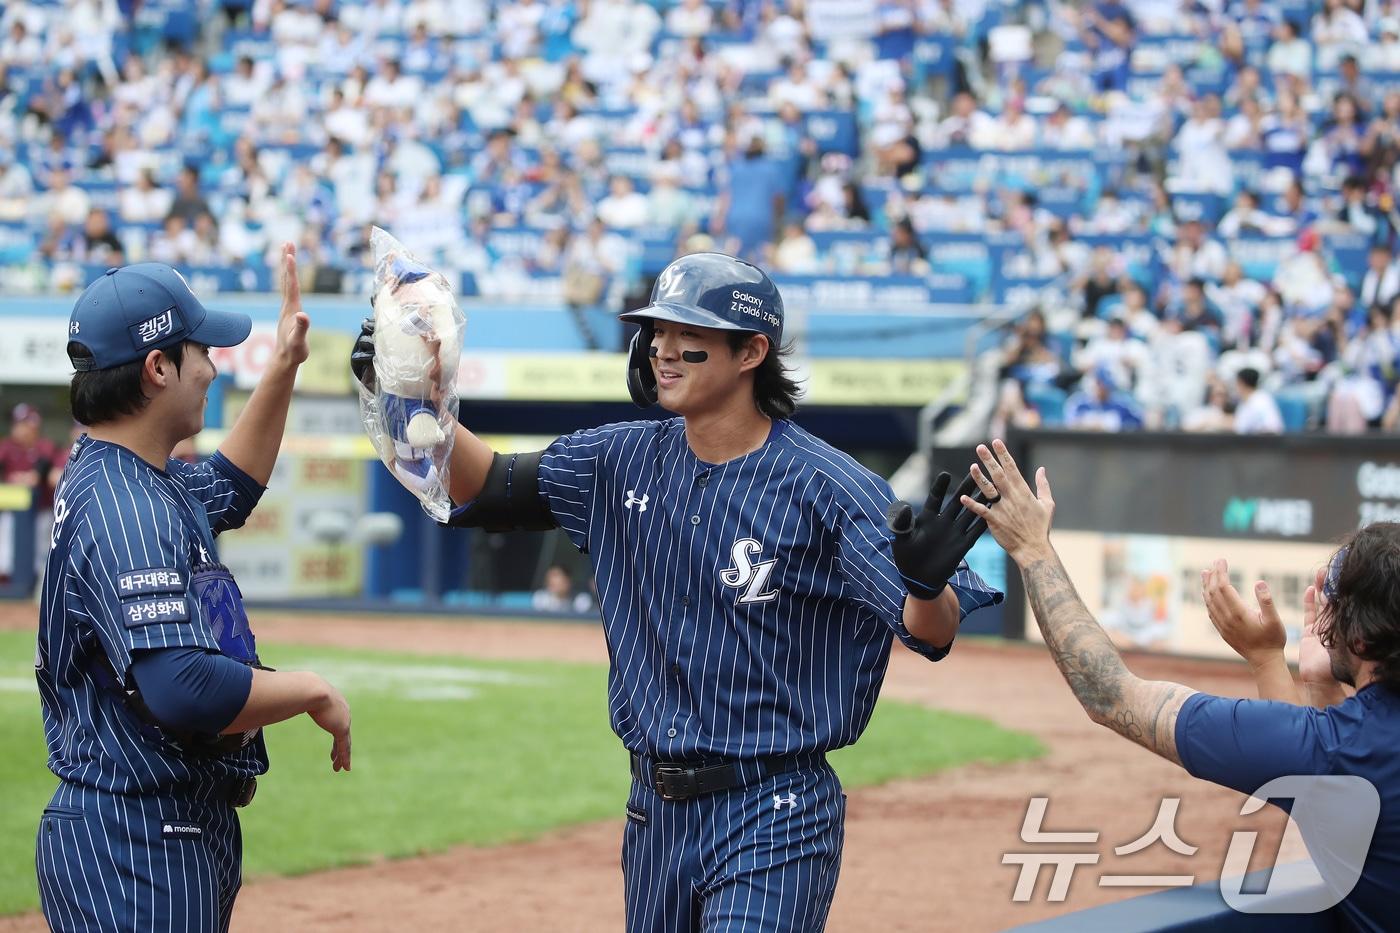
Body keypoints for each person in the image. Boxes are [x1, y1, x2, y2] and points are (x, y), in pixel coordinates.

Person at [351, 252, 1002, 930]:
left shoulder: (829, 487)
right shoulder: (618, 457)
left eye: (686, 334)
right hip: (653, 811)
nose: (661, 349)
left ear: (751, 351)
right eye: (655, 331)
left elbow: (931, 629)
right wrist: (403, 395)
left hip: (773, 808)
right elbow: (484, 485)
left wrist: (926, 583)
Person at [961, 439, 1399, 933]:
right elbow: (1321, 792)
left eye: (1334, 607)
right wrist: (1295, 675)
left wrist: (1031, 548)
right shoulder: (1337, 748)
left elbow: (1108, 693)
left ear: (1360, 640)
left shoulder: (1338, 748)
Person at [35, 248, 352, 932]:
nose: (212, 366)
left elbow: (232, 486)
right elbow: (179, 684)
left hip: (154, 829)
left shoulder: (140, 477)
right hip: (134, 840)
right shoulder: (126, 505)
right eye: (201, 349)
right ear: (157, 367)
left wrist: (285, 364)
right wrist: (310, 688)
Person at [0, 404, 65, 587]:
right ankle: (7, 580)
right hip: (13, 512)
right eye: (18, 424)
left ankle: (39, 585)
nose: (20, 429)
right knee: (6, 542)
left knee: (42, 550)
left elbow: (43, 471)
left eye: (25, 425)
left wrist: (33, 476)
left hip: (41, 510)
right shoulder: (7, 446)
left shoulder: (45, 446)